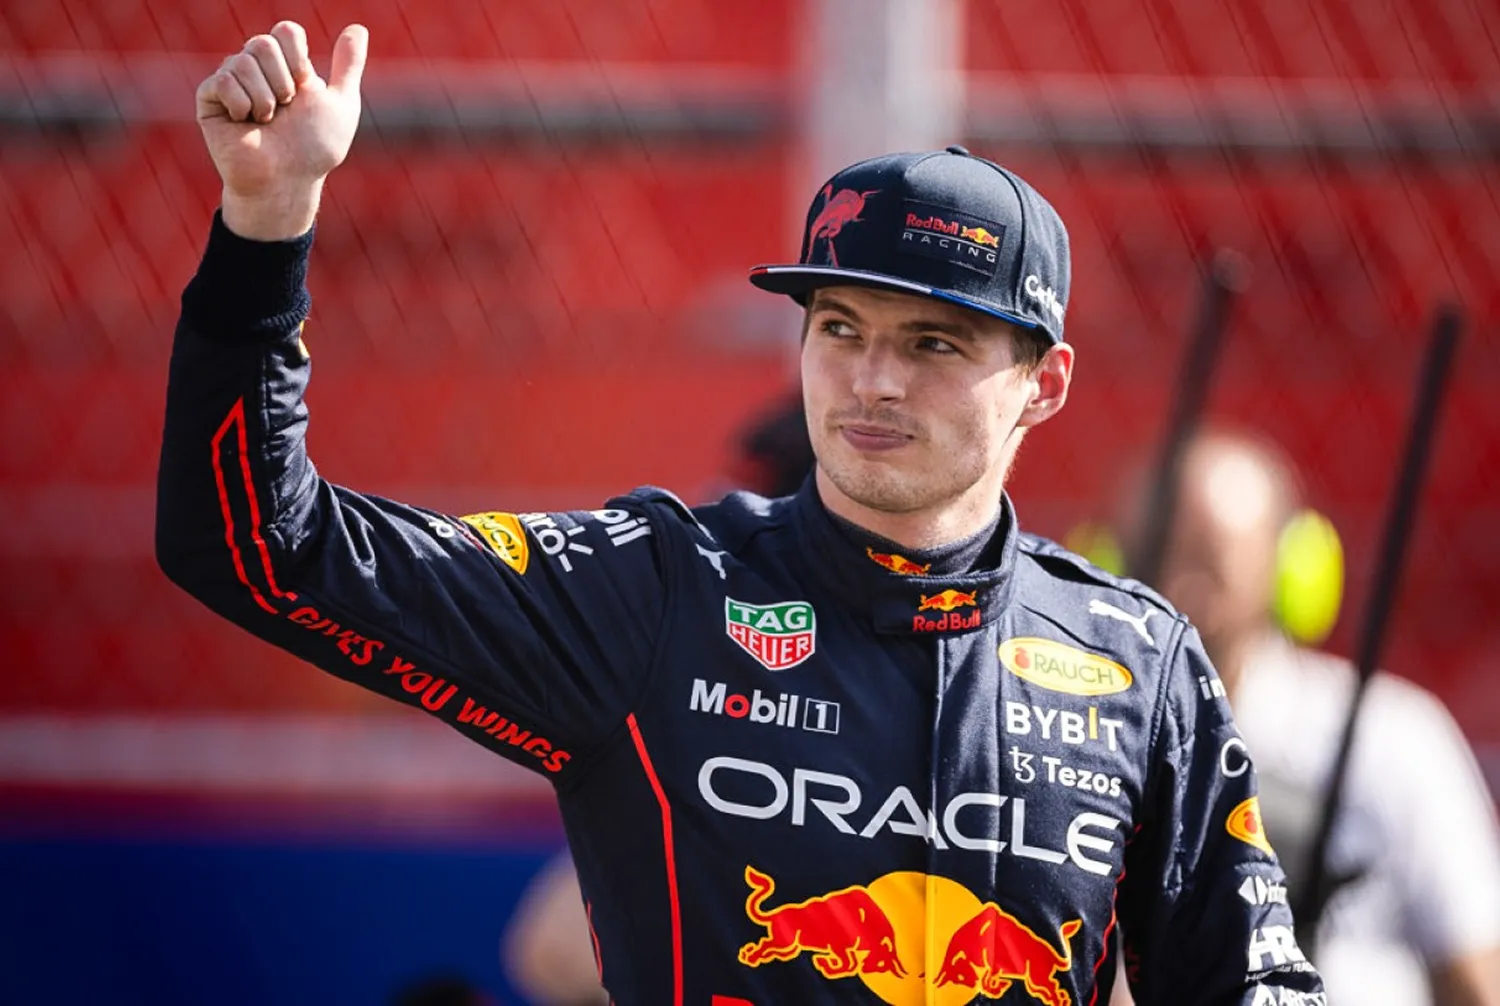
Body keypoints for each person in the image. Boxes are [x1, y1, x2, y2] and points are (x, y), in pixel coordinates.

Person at [156, 20, 1325, 1004]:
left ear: (1045, 384)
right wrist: (269, 222)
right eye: (839, 329)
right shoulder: (656, 589)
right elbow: (260, 544)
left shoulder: (1140, 662)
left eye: (933, 343)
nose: (872, 380)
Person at [1112, 430, 1500, 1006]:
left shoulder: (1391, 736)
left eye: (1208, 559)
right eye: (1159, 550)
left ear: (1292, 567)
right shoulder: (1088, 738)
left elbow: (1475, 973)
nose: (1180, 584)